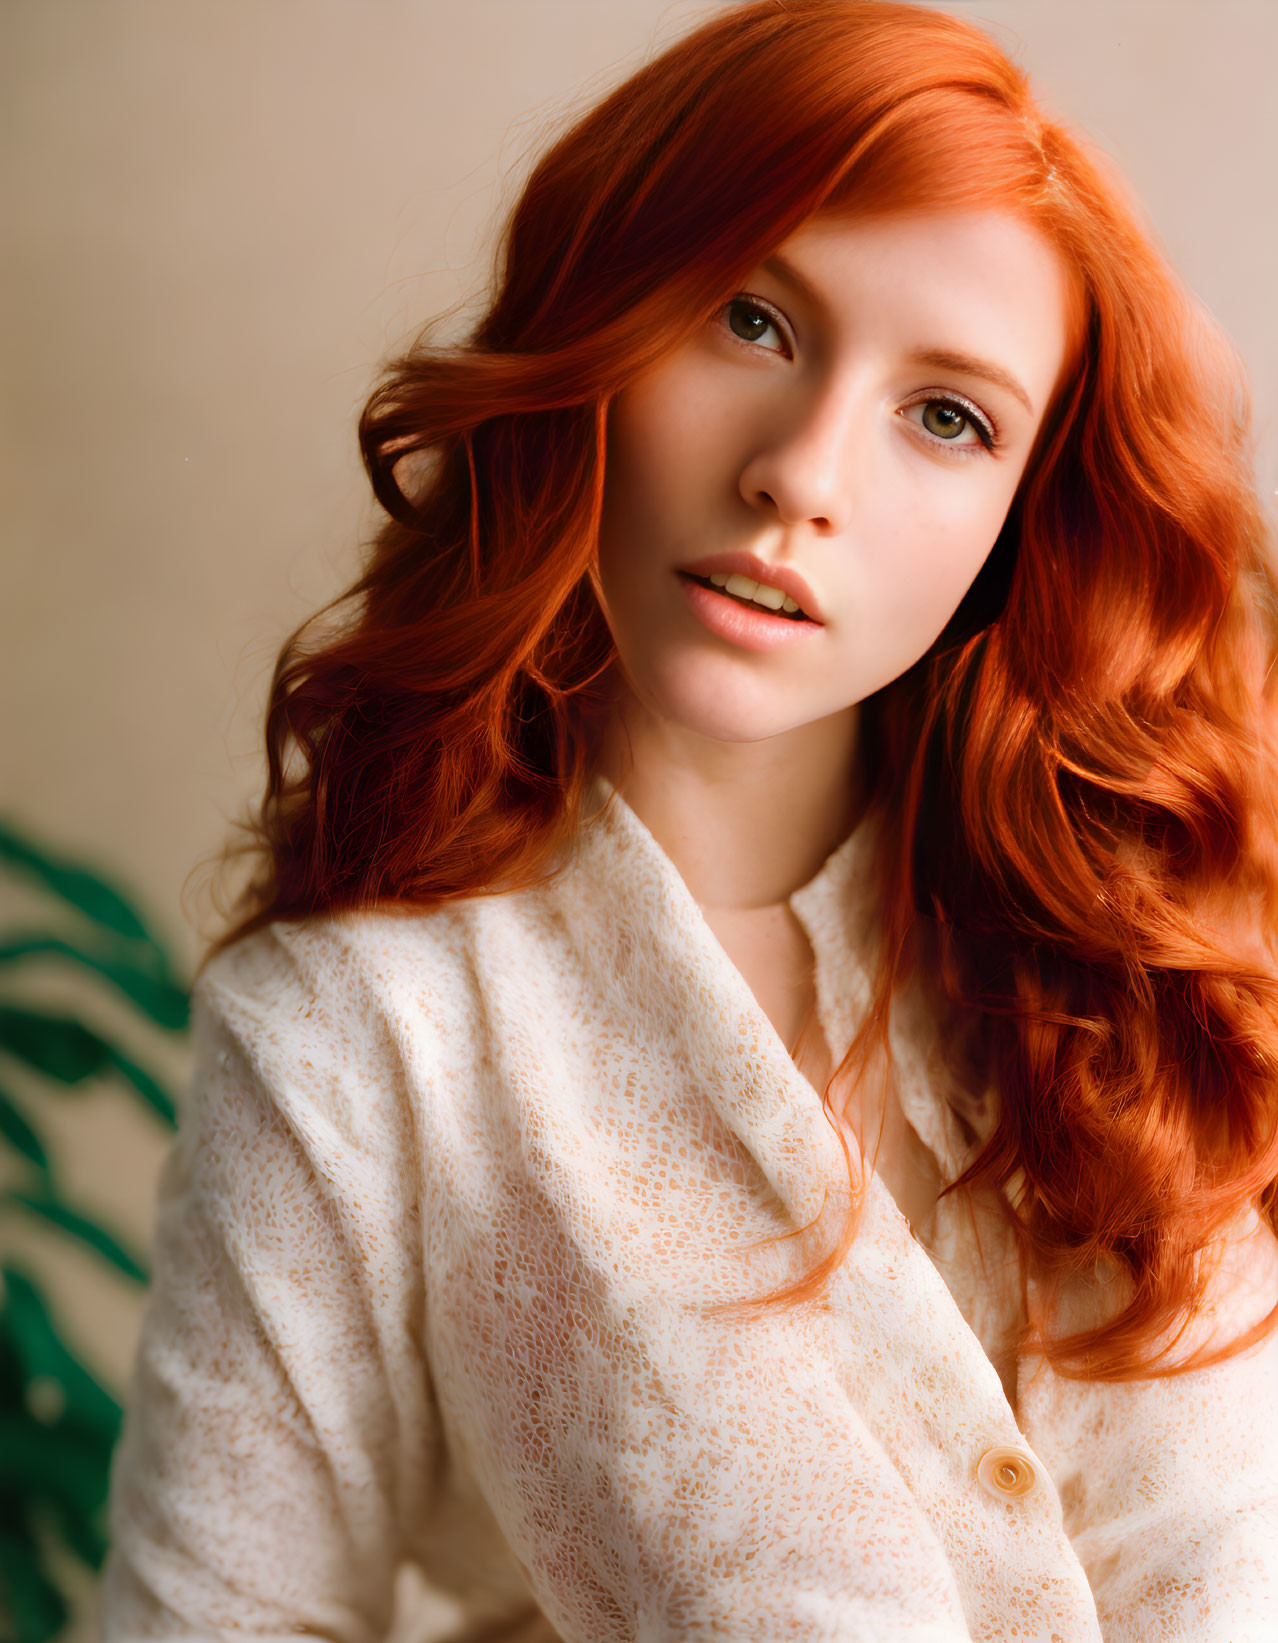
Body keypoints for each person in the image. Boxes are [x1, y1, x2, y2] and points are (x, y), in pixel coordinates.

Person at [99, 1, 1278, 1638]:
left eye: (947, 416)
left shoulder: (1136, 954)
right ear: (598, 322)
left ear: (1020, 524)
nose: (801, 474)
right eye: (751, 320)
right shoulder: (366, 1042)